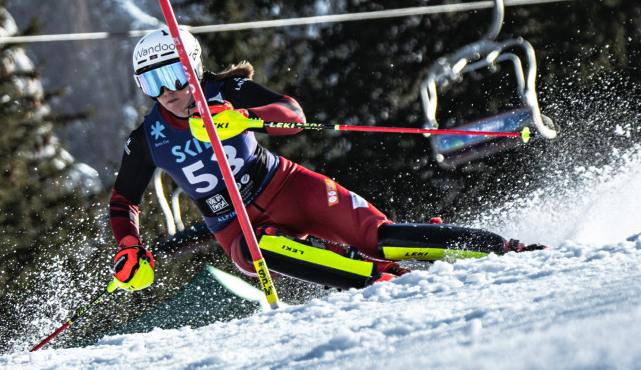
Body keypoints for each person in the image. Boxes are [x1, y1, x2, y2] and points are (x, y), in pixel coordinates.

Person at [107, 27, 544, 293]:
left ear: (194, 67)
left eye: (175, 75)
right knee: (261, 249)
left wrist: (244, 119)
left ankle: (504, 250)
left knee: (382, 238)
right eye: (153, 82)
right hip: (236, 227)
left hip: (286, 187)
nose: (169, 92)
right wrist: (129, 244)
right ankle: (383, 281)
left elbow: (293, 117)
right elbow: (122, 200)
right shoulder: (149, 138)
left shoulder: (227, 95)